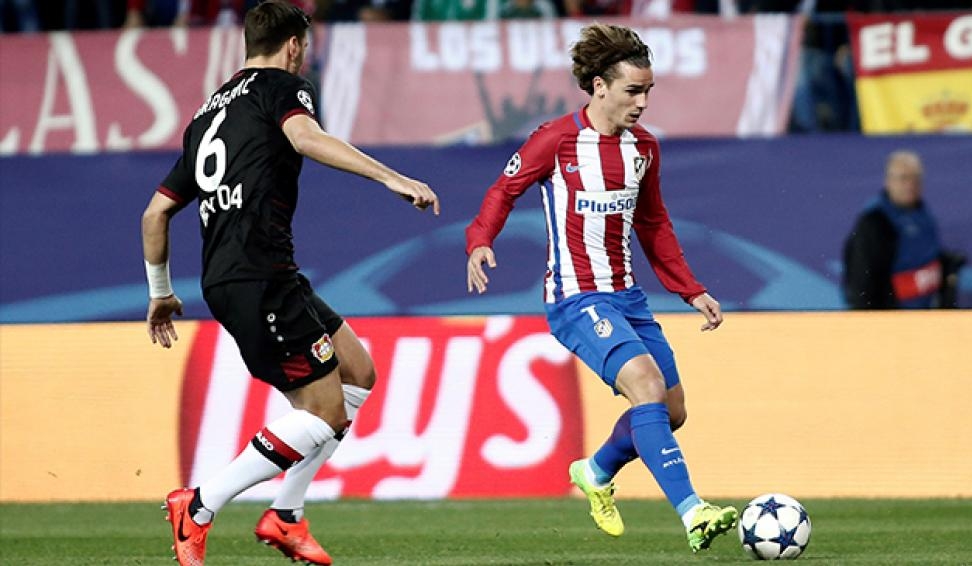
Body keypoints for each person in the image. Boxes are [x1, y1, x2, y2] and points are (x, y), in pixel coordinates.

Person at [141, 2, 439, 565]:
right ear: (294, 45)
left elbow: (155, 213)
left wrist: (160, 292)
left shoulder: (206, 115)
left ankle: (286, 514)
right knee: (324, 413)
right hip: (259, 275)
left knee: (358, 373)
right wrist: (390, 177)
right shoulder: (282, 87)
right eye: (306, 46)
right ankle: (199, 504)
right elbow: (304, 137)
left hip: (249, 275)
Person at [464, 23, 737, 553]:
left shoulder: (644, 149)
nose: (643, 102)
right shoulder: (555, 140)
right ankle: (693, 512)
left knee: (672, 411)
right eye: (633, 91)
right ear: (599, 86)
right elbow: (504, 189)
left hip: (627, 298)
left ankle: (594, 470)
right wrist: (479, 241)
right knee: (646, 386)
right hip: (576, 298)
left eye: (649, 91)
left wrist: (690, 289)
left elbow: (653, 223)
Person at [842, 150, 963, 309]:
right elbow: (860, 281)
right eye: (903, 178)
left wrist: (945, 263)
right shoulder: (875, 222)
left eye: (916, 178)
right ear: (888, 181)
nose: (910, 185)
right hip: (893, 316)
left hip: (926, 312)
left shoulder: (923, 213)